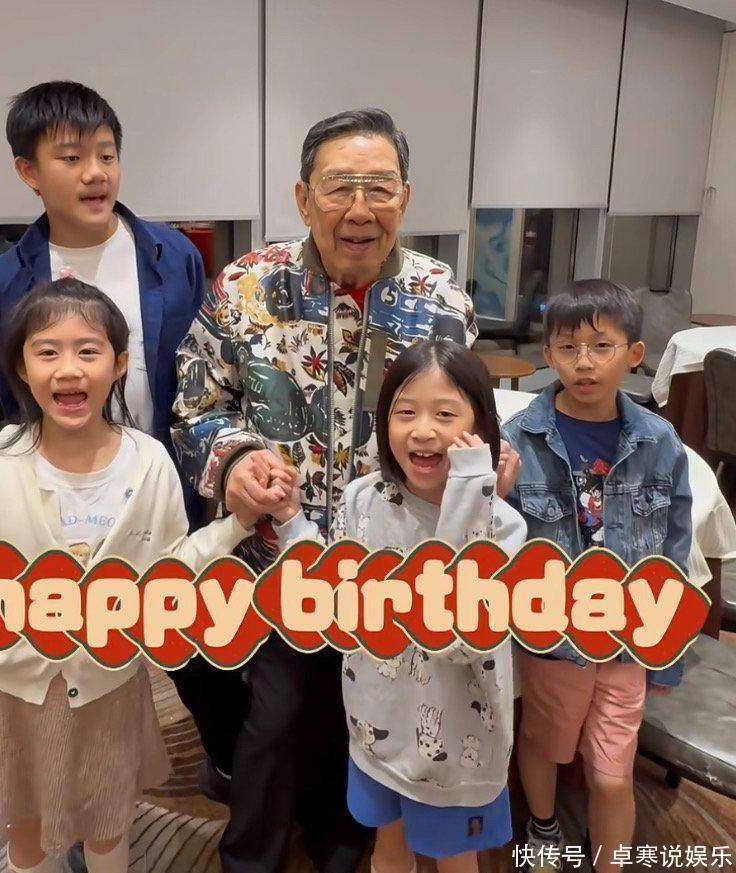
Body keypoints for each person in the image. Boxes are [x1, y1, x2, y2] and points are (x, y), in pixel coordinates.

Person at [170, 108, 478, 873]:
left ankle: (342, 839)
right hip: (280, 559)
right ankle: (253, 855)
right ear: (304, 199)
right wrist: (237, 461)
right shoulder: (245, 287)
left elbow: (458, 416)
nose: (360, 209)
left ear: (406, 198)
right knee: (277, 719)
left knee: (369, 718)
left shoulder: (440, 298)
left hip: (391, 565)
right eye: (340, 187)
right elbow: (197, 405)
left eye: (380, 188)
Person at [0, 279, 259, 873]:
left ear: (119, 364)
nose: (68, 369)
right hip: (15, 689)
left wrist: (235, 527)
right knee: (27, 831)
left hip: (107, 685)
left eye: (88, 351)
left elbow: (171, 568)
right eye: (47, 351)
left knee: (106, 823)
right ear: (20, 367)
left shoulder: (149, 461)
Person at [269, 339, 526, 873]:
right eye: (405, 412)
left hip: (456, 745)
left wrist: (471, 489)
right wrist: (293, 522)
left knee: (455, 860)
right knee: (388, 847)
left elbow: (455, 629)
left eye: (446, 414)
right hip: (376, 725)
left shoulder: (501, 526)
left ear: (480, 429)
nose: (423, 430)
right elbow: (327, 591)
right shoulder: (364, 498)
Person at [501, 280, 693, 873]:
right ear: (548, 355)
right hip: (552, 642)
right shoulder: (520, 439)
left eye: (601, 347)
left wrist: (666, 649)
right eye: (567, 348)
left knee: (612, 774)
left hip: (627, 642)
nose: (583, 363)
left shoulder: (659, 441)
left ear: (634, 354)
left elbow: (674, 551)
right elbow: (496, 545)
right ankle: (543, 824)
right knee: (545, 744)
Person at [0, 80, 204, 511]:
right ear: (29, 172)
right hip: (59, 490)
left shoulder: (175, 257)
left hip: (165, 480)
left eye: (106, 155)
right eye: (71, 158)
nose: (96, 172)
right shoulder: (2, 283)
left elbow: (199, 380)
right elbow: (16, 398)